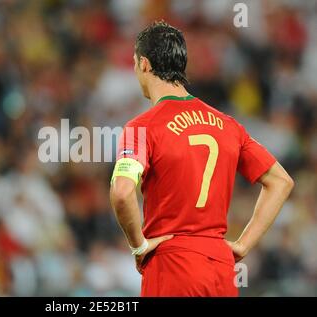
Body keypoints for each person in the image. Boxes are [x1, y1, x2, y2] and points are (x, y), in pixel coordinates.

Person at [109, 21, 294, 297]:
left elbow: (122, 193)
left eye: (135, 64)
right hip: (221, 269)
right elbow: (281, 181)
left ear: (145, 64)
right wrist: (243, 244)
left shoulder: (140, 127)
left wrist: (139, 247)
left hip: (172, 265)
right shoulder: (228, 125)